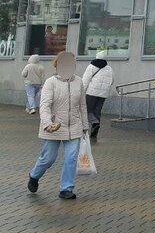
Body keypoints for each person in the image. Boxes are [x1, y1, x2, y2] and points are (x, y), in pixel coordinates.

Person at [27, 51, 90, 200]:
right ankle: (34, 176)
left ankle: (66, 188)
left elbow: (82, 105)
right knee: (48, 158)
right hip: (54, 127)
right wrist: (47, 123)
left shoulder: (79, 81)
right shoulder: (51, 82)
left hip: (74, 126)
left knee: (71, 158)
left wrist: (85, 126)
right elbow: (44, 106)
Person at [82, 50, 115, 141]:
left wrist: (82, 92)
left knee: (87, 110)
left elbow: (85, 80)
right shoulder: (109, 68)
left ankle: (94, 123)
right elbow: (112, 81)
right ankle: (94, 132)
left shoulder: (91, 66)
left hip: (91, 93)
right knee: (97, 111)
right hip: (103, 94)